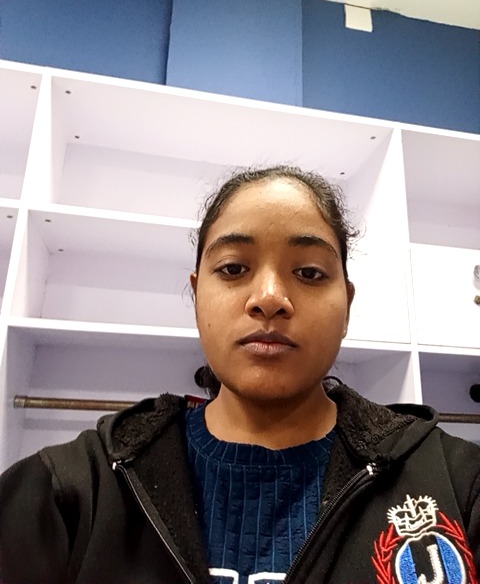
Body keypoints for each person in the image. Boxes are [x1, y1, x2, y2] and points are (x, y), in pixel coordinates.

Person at [0, 165, 479, 584]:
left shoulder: (460, 484)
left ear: (347, 305)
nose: (269, 298)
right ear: (196, 296)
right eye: (232, 268)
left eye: (310, 273)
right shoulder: (68, 491)